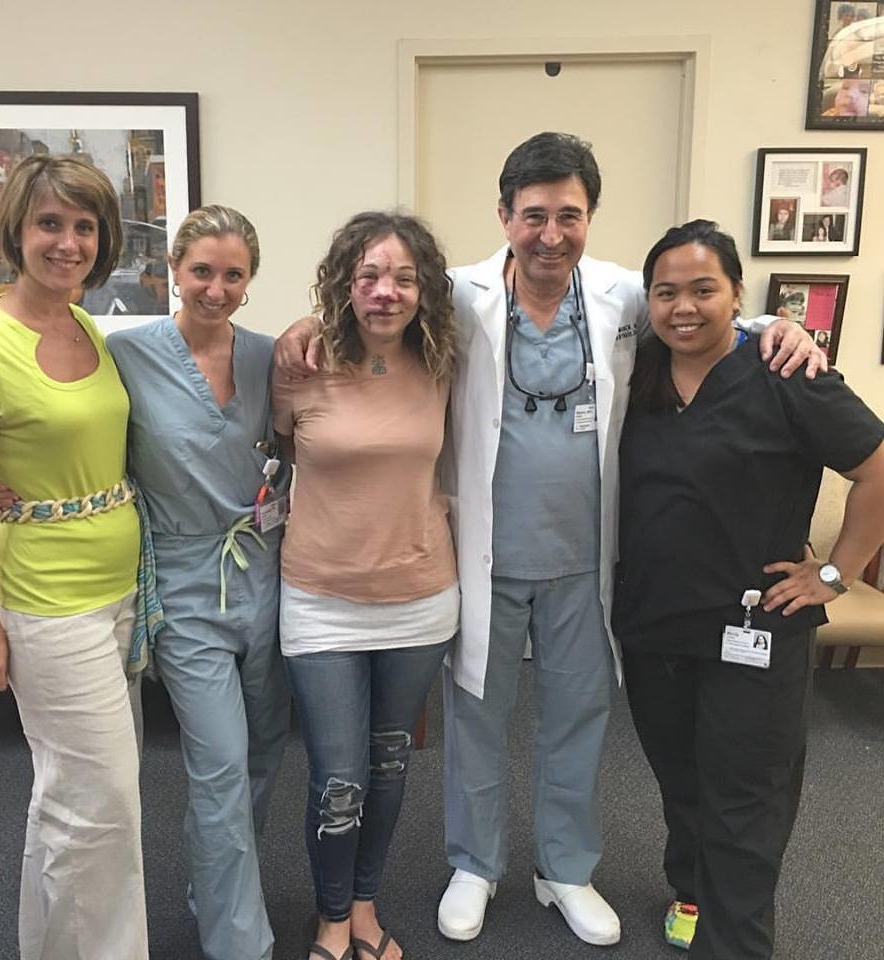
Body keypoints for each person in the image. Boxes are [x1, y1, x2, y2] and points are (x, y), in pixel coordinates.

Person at [275, 132, 824, 949]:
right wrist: (301, 324)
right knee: (477, 714)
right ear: (504, 216)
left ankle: (565, 867)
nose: (551, 233)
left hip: (583, 559)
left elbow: (697, 311)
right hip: (485, 552)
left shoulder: (618, 296)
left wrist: (780, 328)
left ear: (590, 217)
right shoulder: (457, 294)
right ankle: (475, 862)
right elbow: (369, 307)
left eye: (569, 215)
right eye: (533, 215)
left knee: (578, 715)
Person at [0, 205, 291, 960]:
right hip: (184, 588)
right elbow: (66, 420)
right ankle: (237, 941)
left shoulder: (269, 357)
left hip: (267, 573)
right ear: (173, 273)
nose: (215, 289)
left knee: (261, 756)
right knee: (218, 764)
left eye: (233, 275)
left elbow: (305, 429)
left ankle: (217, 887)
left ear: (249, 284)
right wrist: (10, 481)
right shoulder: (127, 354)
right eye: (201, 272)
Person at [613, 218, 884, 958]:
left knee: (746, 801)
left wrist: (835, 573)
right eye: (665, 293)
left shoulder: (786, 372)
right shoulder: (637, 371)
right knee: (682, 778)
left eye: (704, 289)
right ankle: (691, 891)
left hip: (756, 629)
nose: (684, 308)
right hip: (656, 625)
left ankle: (737, 944)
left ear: (737, 294)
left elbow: (877, 467)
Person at [0, 154, 148, 959]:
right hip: (46, 605)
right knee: (102, 804)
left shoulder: (84, 322)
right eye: (50, 223)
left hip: (117, 594)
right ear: (16, 231)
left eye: (84, 225)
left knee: (77, 802)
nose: (69, 242)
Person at [272, 211, 459, 960]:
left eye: (404, 278)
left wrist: (770, 322)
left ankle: (366, 905)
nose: (387, 292)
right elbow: (262, 446)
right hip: (320, 601)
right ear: (346, 284)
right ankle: (329, 914)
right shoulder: (303, 360)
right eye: (371, 276)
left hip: (420, 600)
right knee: (338, 776)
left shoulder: (447, 357)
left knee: (387, 764)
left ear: (425, 291)